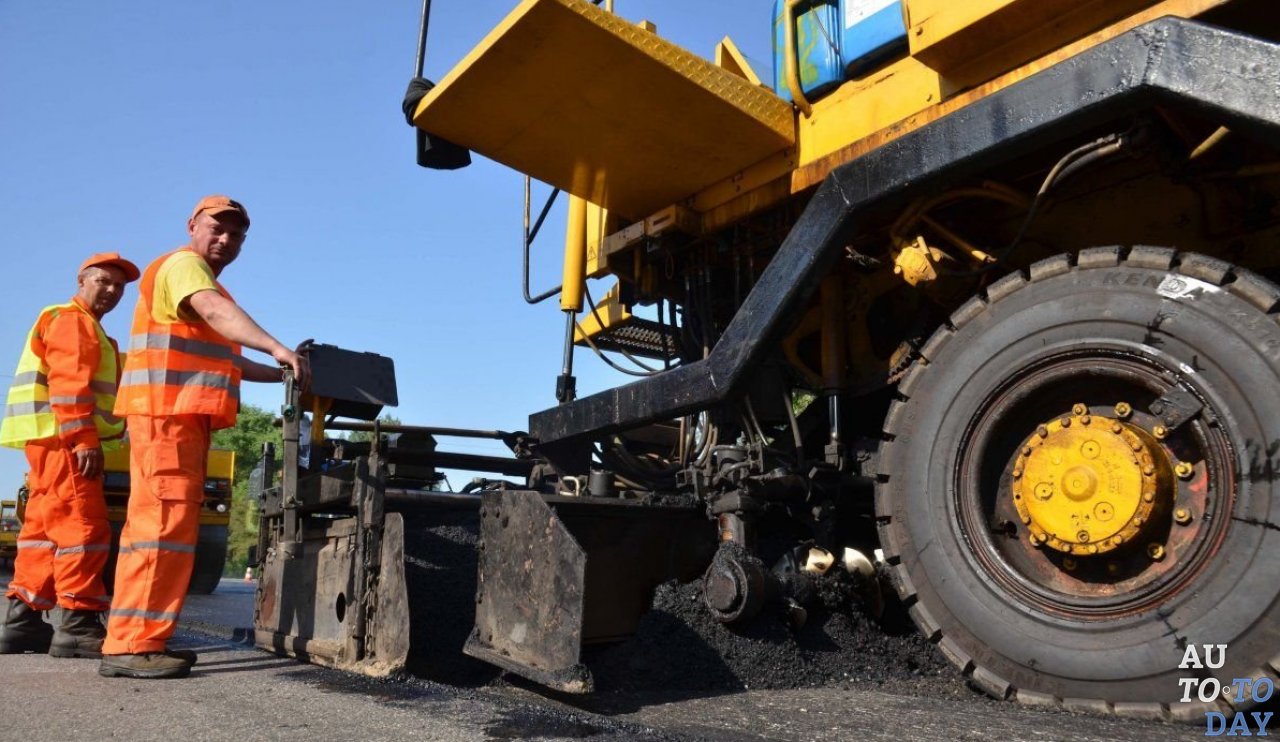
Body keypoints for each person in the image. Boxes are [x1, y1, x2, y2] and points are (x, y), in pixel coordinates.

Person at [99, 195, 310, 679]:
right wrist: (278, 346)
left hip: (177, 421)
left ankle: (138, 640)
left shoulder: (202, 286)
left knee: (163, 532)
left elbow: (227, 360)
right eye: (217, 228)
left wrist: (280, 371)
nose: (226, 240)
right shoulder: (184, 268)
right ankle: (133, 646)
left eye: (236, 235)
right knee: (160, 533)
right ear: (193, 225)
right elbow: (213, 311)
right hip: (166, 418)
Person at [0, 252, 139, 659]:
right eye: (103, 281)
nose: (112, 291)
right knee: (84, 530)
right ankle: (77, 625)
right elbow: (69, 385)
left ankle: (21, 621)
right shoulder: (73, 321)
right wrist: (84, 439)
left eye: (119, 286)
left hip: (48, 445)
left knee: (42, 535)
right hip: (65, 444)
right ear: (82, 280)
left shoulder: (76, 323)